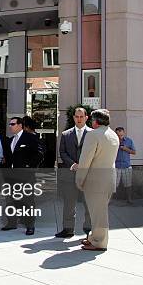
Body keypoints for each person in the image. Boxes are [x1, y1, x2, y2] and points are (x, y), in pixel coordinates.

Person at [76, 109, 119, 251]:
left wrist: (80, 179)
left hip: (95, 180)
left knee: (98, 214)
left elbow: (85, 160)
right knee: (99, 211)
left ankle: (99, 242)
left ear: (95, 121)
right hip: (109, 179)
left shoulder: (93, 135)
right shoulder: (113, 135)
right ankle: (94, 238)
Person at [56, 107, 92, 238]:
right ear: (73, 118)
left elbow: (95, 153)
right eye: (77, 116)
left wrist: (85, 165)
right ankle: (68, 229)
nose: (79, 119)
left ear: (86, 118)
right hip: (70, 174)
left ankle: (88, 229)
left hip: (88, 175)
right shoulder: (66, 134)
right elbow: (62, 152)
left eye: (81, 117)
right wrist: (73, 164)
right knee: (69, 203)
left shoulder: (92, 134)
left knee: (89, 203)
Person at [3, 116, 40, 235]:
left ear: (20, 125)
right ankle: (12, 222)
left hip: (26, 176)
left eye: (13, 124)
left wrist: (29, 167)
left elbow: (39, 155)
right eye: (9, 124)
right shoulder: (10, 140)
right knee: (13, 200)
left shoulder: (30, 137)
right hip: (11, 176)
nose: (10, 126)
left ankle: (30, 225)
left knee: (28, 200)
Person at [114, 127, 136, 205]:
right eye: (118, 135)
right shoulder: (113, 141)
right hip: (116, 166)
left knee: (128, 185)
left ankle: (129, 199)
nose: (120, 137)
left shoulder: (129, 141)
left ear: (124, 133)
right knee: (113, 184)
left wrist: (126, 149)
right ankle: (109, 200)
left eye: (121, 135)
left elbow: (134, 152)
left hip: (126, 166)